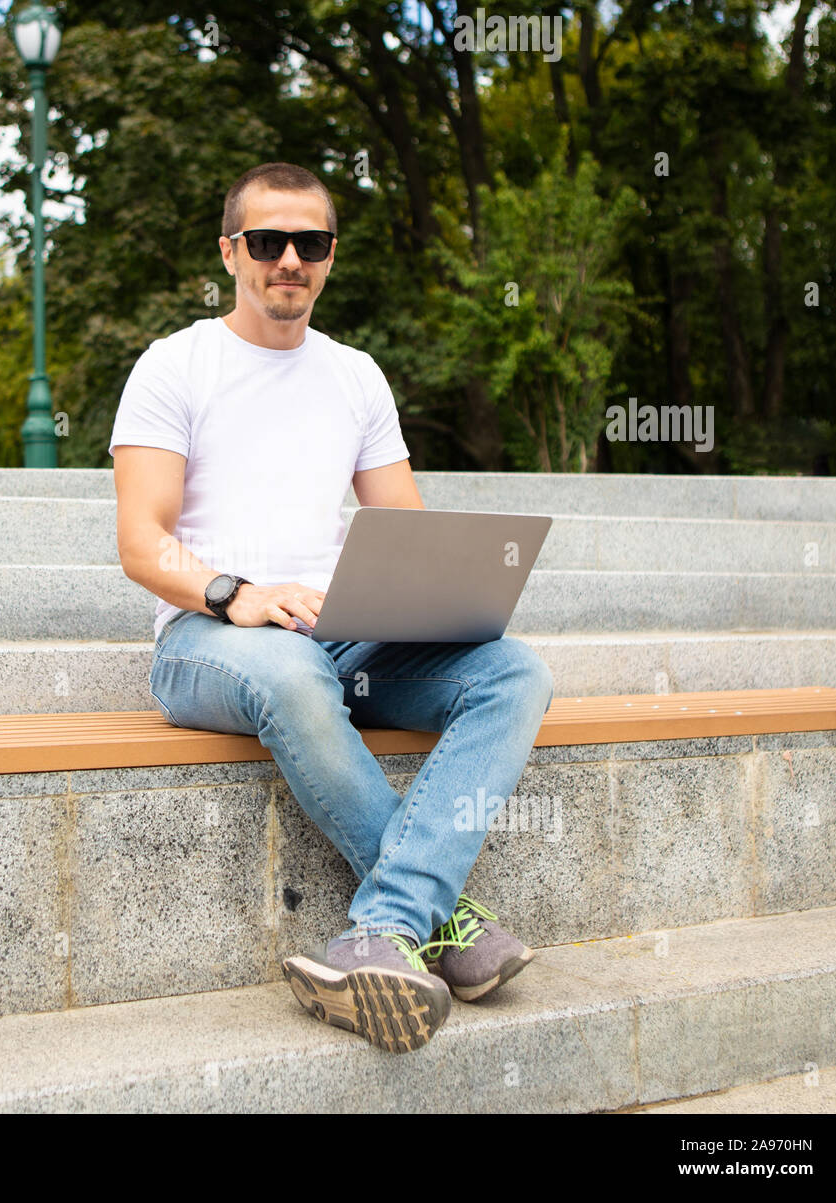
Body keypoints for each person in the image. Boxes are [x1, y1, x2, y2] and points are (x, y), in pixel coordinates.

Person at [109, 162, 555, 1054]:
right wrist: (238, 593)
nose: (288, 260)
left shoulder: (354, 376)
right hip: (209, 636)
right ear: (231, 250)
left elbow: (407, 529)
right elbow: (141, 543)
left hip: (336, 630)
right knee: (295, 672)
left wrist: (428, 593)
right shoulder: (174, 364)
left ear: (330, 257)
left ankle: (379, 934)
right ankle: (435, 920)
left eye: (309, 243)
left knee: (514, 672)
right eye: (268, 241)